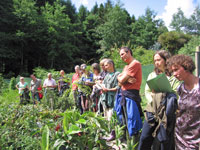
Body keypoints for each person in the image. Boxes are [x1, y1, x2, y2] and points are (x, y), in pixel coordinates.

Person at [138, 50, 180, 150]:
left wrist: (166, 91)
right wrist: (152, 101)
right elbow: (147, 91)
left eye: (159, 60)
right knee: (144, 137)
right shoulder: (152, 75)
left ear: (166, 60)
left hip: (166, 112)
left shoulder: (174, 76)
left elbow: (176, 93)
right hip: (152, 110)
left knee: (163, 140)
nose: (156, 62)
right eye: (155, 60)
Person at [167, 54, 200, 150]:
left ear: (186, 66)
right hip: (180, 136)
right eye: (172, 71)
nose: (174, 74)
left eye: (176, 69)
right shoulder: (181, 88)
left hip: (196, 139)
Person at [114, 47, 143, 145]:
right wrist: (123, 78)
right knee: (125, 119)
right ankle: (127, 142)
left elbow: (121, 80)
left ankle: (135, 144)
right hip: (123, 94)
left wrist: (122, 79)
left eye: (122, 54)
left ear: (129, 52)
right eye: (120, 55)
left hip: (131, 95)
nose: (121, 57)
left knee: (132, 120)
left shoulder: (135, 64)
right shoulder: (126, 67)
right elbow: (119, 80)